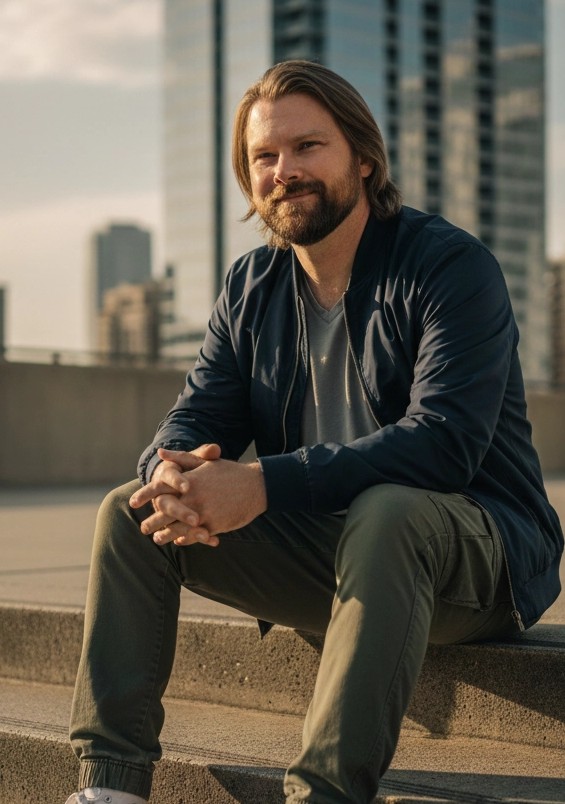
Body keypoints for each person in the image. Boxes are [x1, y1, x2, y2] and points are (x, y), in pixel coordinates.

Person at [65, 60, 563, 804]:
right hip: (328, 549)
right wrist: (168, 469)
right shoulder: (250, 287)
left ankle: (324, 795)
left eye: (307, 148)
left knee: (387, 510)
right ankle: (109, 787)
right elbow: (201, 410)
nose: (284, 171)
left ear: (362, 157)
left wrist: (263, 483)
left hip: (473, 552)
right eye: (264, 157)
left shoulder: (447, 266)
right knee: (128, 512)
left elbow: (444, 442)